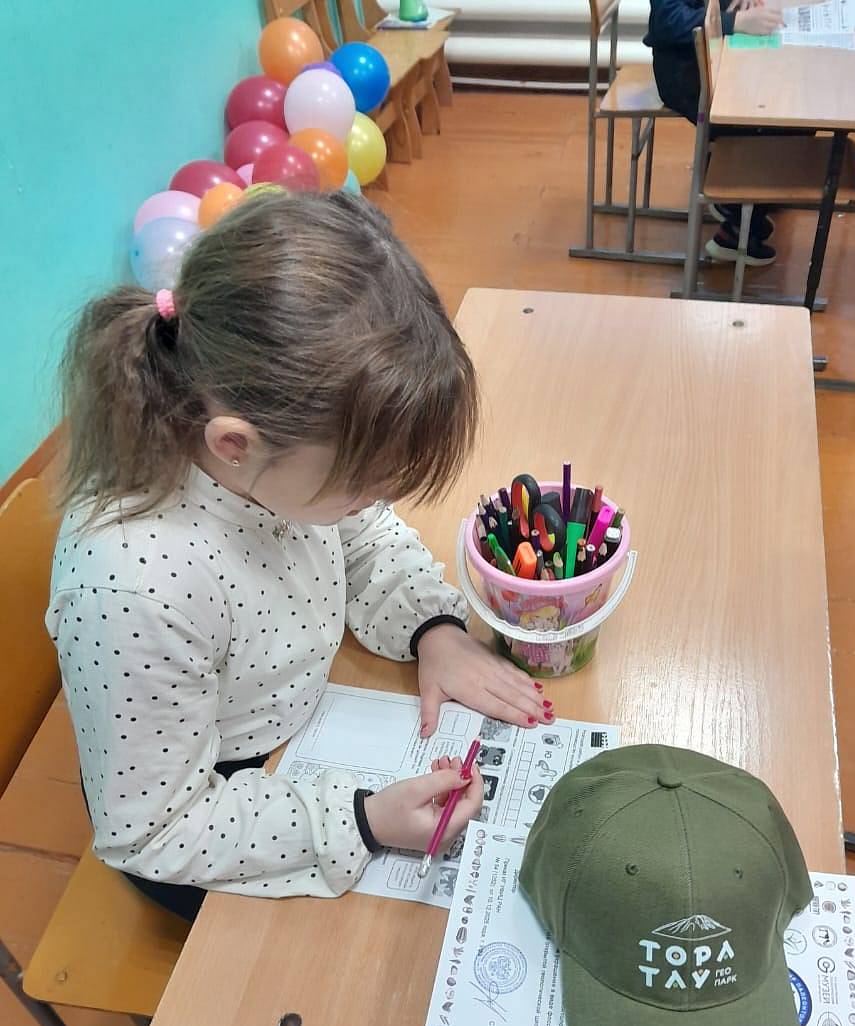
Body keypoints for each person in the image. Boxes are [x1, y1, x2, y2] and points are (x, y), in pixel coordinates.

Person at [48, 191, 555, 922]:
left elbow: (364, 533)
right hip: (210, 822)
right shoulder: (135, 587)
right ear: (235, 443)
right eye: (361, 483)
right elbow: (154, 831)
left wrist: (433, 630)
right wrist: (362, 820)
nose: (378, 499)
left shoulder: (274, 461)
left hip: (300, 735)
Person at [646, 0, 785, 266]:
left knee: (779, 97)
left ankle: (736, 199)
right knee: (776, 113)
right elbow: (667, 21)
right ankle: (735, 232)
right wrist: (736, 22)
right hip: (686, 71)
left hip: (715, 54)